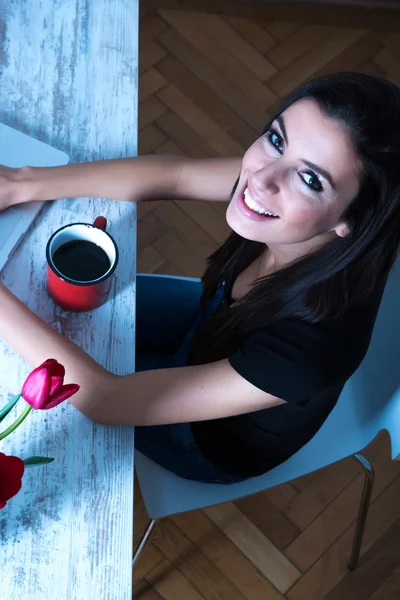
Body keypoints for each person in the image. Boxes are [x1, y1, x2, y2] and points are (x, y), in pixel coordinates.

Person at [0, 72, 399, 484]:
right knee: (40, 312)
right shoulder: (282, 199)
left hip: (204, 439)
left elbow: (105, 398)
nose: (259, 180)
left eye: (309, 179)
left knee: (19, 373)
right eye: (277, 139)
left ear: (353, 219)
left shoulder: (311, 351)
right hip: (209, 325)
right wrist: (19, 182)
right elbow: (176, 175)